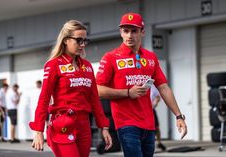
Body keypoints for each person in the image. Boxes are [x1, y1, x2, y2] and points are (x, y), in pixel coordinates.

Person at [96, 12, 187, 157]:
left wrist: (178, 116)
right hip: (126, 124)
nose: (129, 35)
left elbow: (163, 87)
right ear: (121, 32)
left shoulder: (151, 57)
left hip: (148, 124)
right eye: (125, 31)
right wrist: (127, 92)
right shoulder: (110, 57)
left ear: (142, 32)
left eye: (134, 31)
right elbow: (97, 90)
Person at [29, 20, 112, 157]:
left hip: (84, 124)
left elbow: (94, 99)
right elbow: (44, 98)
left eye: (85, 40)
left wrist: (104, 127)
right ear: (66, 40)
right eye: (79, 40)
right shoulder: (53, 65)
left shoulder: (87, 66)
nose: (83, 45)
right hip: (63, 124)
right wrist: (38, 131)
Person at [150, 85, 166, 151]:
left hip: (151, 109)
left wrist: (156, 102)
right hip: (141, 110)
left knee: (156, 126)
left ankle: (159, 142)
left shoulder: (153, 87)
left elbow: (157, 97)